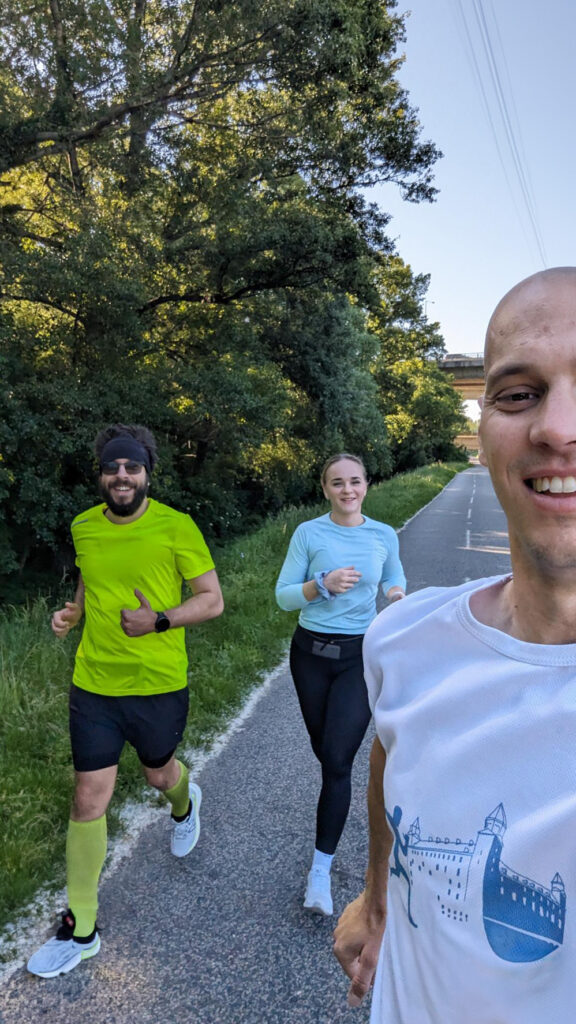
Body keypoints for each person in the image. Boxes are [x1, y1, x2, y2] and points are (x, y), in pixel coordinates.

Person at [333, 267, 576, 1023]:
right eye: (518, 393)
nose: (559, 428)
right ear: (482, 430)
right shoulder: (404, 639)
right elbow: (389, 752)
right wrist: (376, 898)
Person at [27, 423, 224, 979]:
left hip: (158, 683)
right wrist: (73, 612)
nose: (121, 476)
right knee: (89, 796)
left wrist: (159, 620)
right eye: (112, 467)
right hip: (94, 684)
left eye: (131, 467)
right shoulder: (84, 526)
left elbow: (212, 601)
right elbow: (90, 582)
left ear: (146, 474)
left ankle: (186, 801)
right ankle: (81, 929)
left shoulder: (176, 527)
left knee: (158, 775)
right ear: (101, 474)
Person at [275, 453, 406, 917]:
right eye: (337, 483)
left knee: (336, 760)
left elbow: (392, 574)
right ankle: (332, 817)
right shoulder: (309, 533)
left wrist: (396, 595)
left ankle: (319, 871)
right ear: (325, 489)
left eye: (354, 482)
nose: (347, 490)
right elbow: (283, 596)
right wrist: (321, 584)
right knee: (325, 749)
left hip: (358, 656)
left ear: (367, 485)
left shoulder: (383, 534)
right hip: (309, 655)